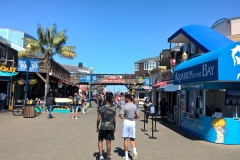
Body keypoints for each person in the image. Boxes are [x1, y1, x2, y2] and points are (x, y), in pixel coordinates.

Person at [120, 94, 140, 160]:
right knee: (132, 138)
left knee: (126, 139)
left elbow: (122, 116)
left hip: (126, 121)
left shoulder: (124, 106)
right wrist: (134, 117)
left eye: (125, 98)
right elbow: (138, 115)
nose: (124, 99)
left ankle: (126, 156)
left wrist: (120, 116)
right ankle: (134, 151)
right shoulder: (135, 106)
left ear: (127, 99)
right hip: (132, 122)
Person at [96, 95, 116, 160]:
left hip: (103, 126)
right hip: (110, 127)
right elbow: (114, 119)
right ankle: (107, 157)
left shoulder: (101, 108)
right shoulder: (113, 108)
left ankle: (101, 156)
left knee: (100, 140)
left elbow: (98, 119)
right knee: (108, 142)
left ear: (106, 100)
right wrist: (115, 127)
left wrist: (97, 126)